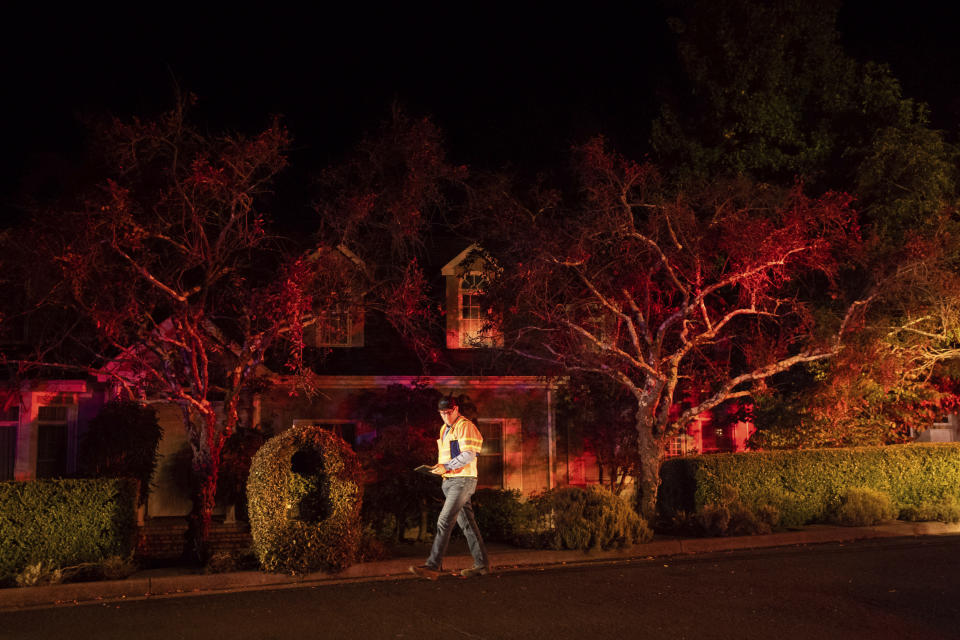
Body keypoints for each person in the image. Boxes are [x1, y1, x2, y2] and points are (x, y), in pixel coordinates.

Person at [409, 395, 491, 579]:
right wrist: (440, 469)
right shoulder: (444, 429)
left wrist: (446, 466)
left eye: (448, 412)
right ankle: (482, 565)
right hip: (450, 481)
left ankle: (433, 567)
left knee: (444, 521)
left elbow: (469, 455)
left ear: (455, 409)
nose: (445, 416)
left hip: (463, 481)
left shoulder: (465, 426)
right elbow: (450, 455)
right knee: (468, 525)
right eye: (442, 413)